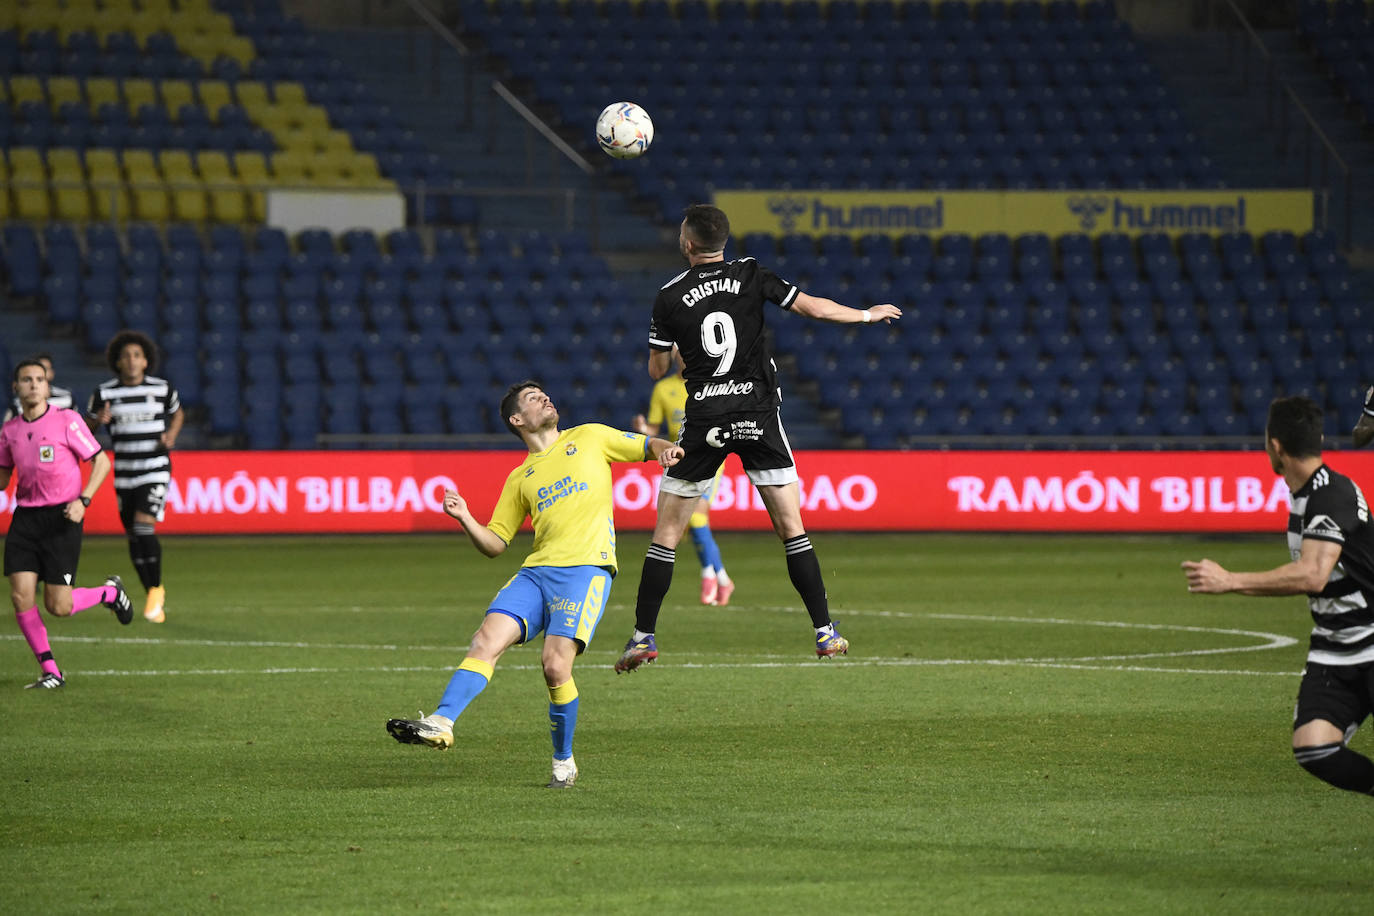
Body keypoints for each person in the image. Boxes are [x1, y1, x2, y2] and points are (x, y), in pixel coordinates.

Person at [614, 204, 902, 673]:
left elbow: (657, 369)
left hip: (705, 416)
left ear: (687, 245)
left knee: (666, 536)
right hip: (758, 414)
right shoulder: (751, 274)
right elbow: (814, 308)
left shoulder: (668, 295)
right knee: (793, 530)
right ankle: (825, 632)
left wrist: (668, 353)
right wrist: (866, 316)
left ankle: (643, 637)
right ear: (723, 242)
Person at [386, 381, 683, 788]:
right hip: (536, 573)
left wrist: (664, 448)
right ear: (517, 420)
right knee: (484, 641)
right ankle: (442, 721)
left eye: (544, 393)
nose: (544, 397)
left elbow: (647, 446)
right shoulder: (520, 478)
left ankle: (564, 762)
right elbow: (495, 543)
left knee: (554, 666)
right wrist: (465, 518)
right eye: (532, 398)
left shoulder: (590, 437)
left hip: (584, 571)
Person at [1182, 395, 1374, 798]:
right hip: (1336, 646)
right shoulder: (1306, 493)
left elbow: (1313, 574)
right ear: (1317, 438)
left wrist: (1229, 580)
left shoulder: (1331, 494)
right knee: (1314, 747)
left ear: (1275, 446)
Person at [3, 359, 134, 689]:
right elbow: (3, 478)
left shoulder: (67, 421)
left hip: (63, 517)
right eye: (26, 379)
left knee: (58, 606)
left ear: (47, 387)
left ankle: (109, 593)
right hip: (26, 520)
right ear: (15, 387)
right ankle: (51, 671)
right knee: (21, 596)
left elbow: (101, 462)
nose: (33, 384)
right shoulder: (10, 431)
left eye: (39, 379)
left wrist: (84, 500)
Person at [86, 330, 182, 624]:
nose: (131, 360)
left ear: (145, 361)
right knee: (132, 535)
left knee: (143, 527)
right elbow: (85, 431)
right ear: (117, 362)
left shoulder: (162, 388)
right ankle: (152, 589)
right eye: (125, 356)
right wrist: (96, 422)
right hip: (124, 472)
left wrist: (171, 436)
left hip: (154, 468)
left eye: (137, 355)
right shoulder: (104, 393)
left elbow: (178, 413)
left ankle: (155, 590)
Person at [632, 347, 735, 606]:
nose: (684, 356)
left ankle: (709, 575)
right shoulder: (663, 389)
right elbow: (654, 429)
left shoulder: (711, 384)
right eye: (680, 352)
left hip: (710, 456)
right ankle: (721, 577)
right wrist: (643, 429)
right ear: (675, 357)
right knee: (686, 522)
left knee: (698, 516)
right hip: (678, 458)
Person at [4, 352, 73, 421]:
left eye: (46, 368)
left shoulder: (67, 398)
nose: (42, 372)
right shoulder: (16, 406)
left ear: (52, 373)